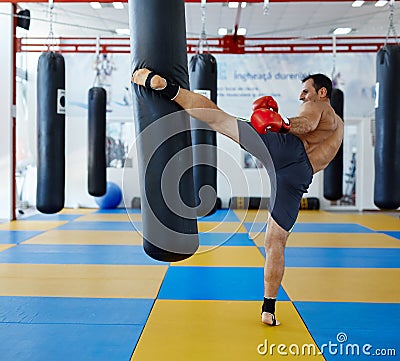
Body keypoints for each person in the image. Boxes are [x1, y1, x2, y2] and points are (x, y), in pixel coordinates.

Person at [131, 69, 344, 326]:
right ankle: (268, 309)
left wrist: (283, 123)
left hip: (287, 151)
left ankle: (168, 89)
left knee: (219, 120)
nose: (302, 97)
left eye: (306, 91)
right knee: (275, 241)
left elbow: (306, 124)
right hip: (300, 176)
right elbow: (315, 134)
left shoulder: (319, 107)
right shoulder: (337, 126)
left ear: (322, 92)